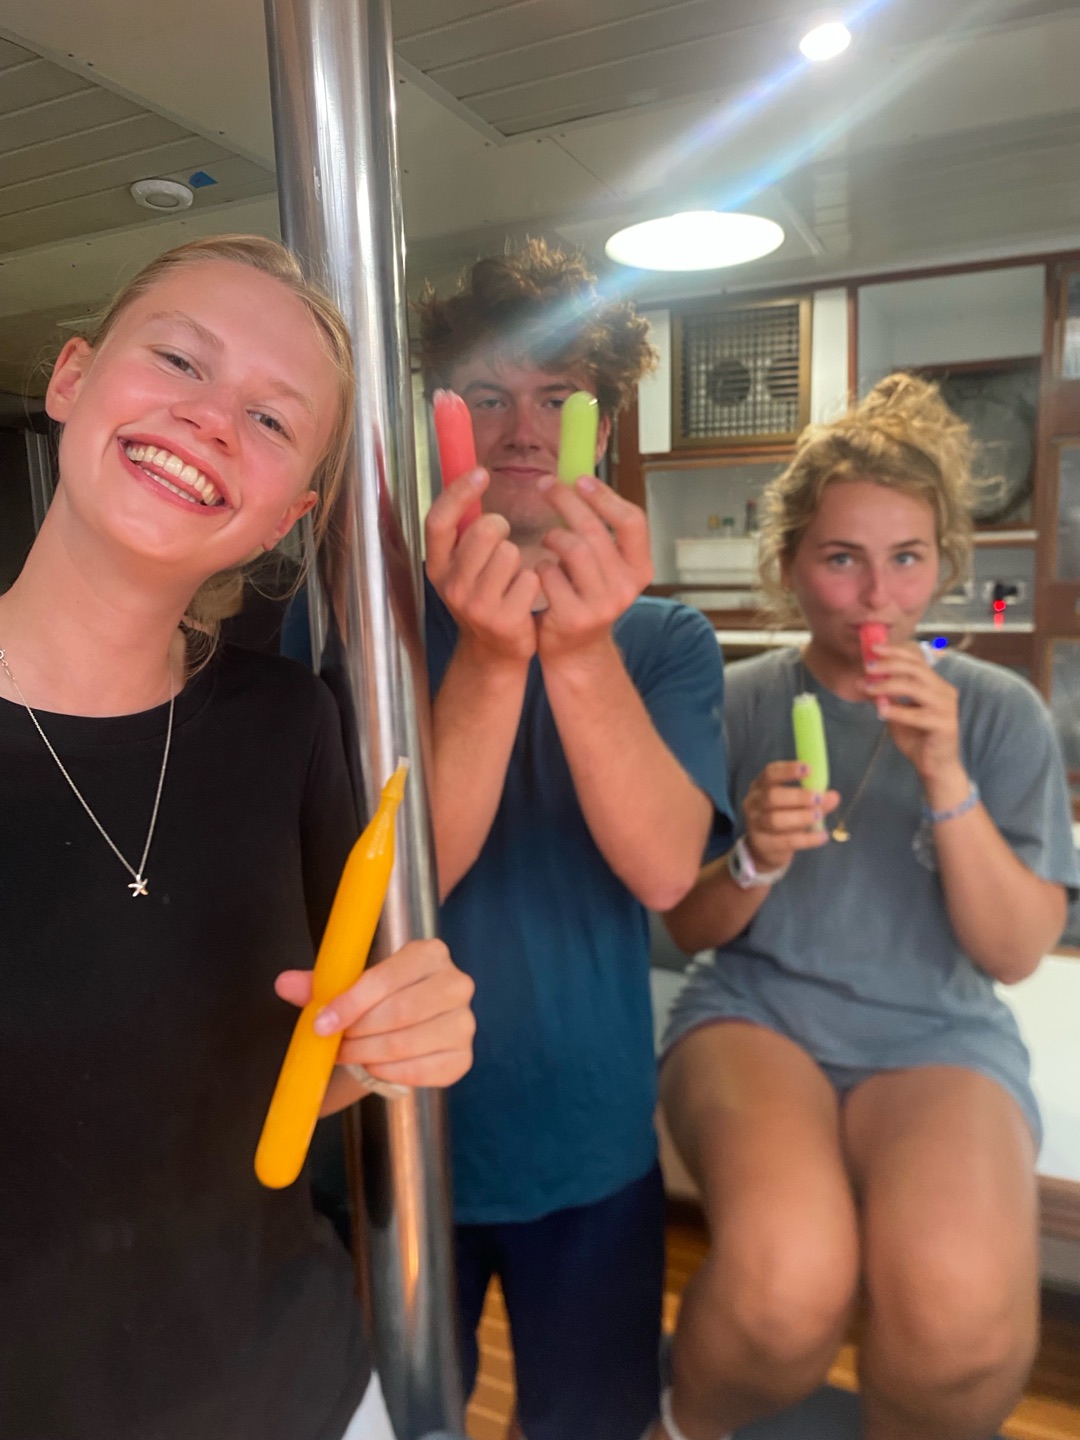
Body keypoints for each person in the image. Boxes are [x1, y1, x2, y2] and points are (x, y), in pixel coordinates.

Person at [0, 234, 475, 1440]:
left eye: (271, 420)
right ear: (71, 379)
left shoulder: (287, 723)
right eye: (179, 359)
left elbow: (283, 1078)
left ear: (287, 518)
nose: (211, 420)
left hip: (304, 1392)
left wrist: (385, 1046)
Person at [651, 374, 1079, 1440]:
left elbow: (1015, 952)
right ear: (790, 565)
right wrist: (753, 860)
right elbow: (683, 926)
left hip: (939, 1034)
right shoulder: (736, 702)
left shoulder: (999, 713)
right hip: (756, 1017)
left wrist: (948, 780)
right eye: (842, 558)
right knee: (784, 1286)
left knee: (963, 1326)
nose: (877, 597)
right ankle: (678, 1426)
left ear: (944, 565)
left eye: (907, 559)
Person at [417, 241, 733, 1440]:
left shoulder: (665, 640)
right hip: (395, 1135)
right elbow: (392, 885)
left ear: (603, 426)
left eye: (558, 398)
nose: (521, 432)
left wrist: (578, 646)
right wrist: (492, 656)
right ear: (441, 416)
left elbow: (664, 870)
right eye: (486, 397)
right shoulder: (357, 622)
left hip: (589, 1137)